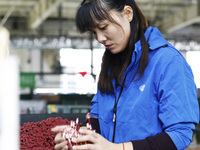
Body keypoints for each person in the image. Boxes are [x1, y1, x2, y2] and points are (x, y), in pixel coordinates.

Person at [51, 0, 199, 149]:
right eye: (94, 32)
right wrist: (79, 135)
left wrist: (117, 148)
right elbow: (99, 118)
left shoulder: (168, 61)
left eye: (103, 27)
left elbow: (180, 135)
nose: (100, 38)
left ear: (128, 13)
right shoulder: (110, 63)